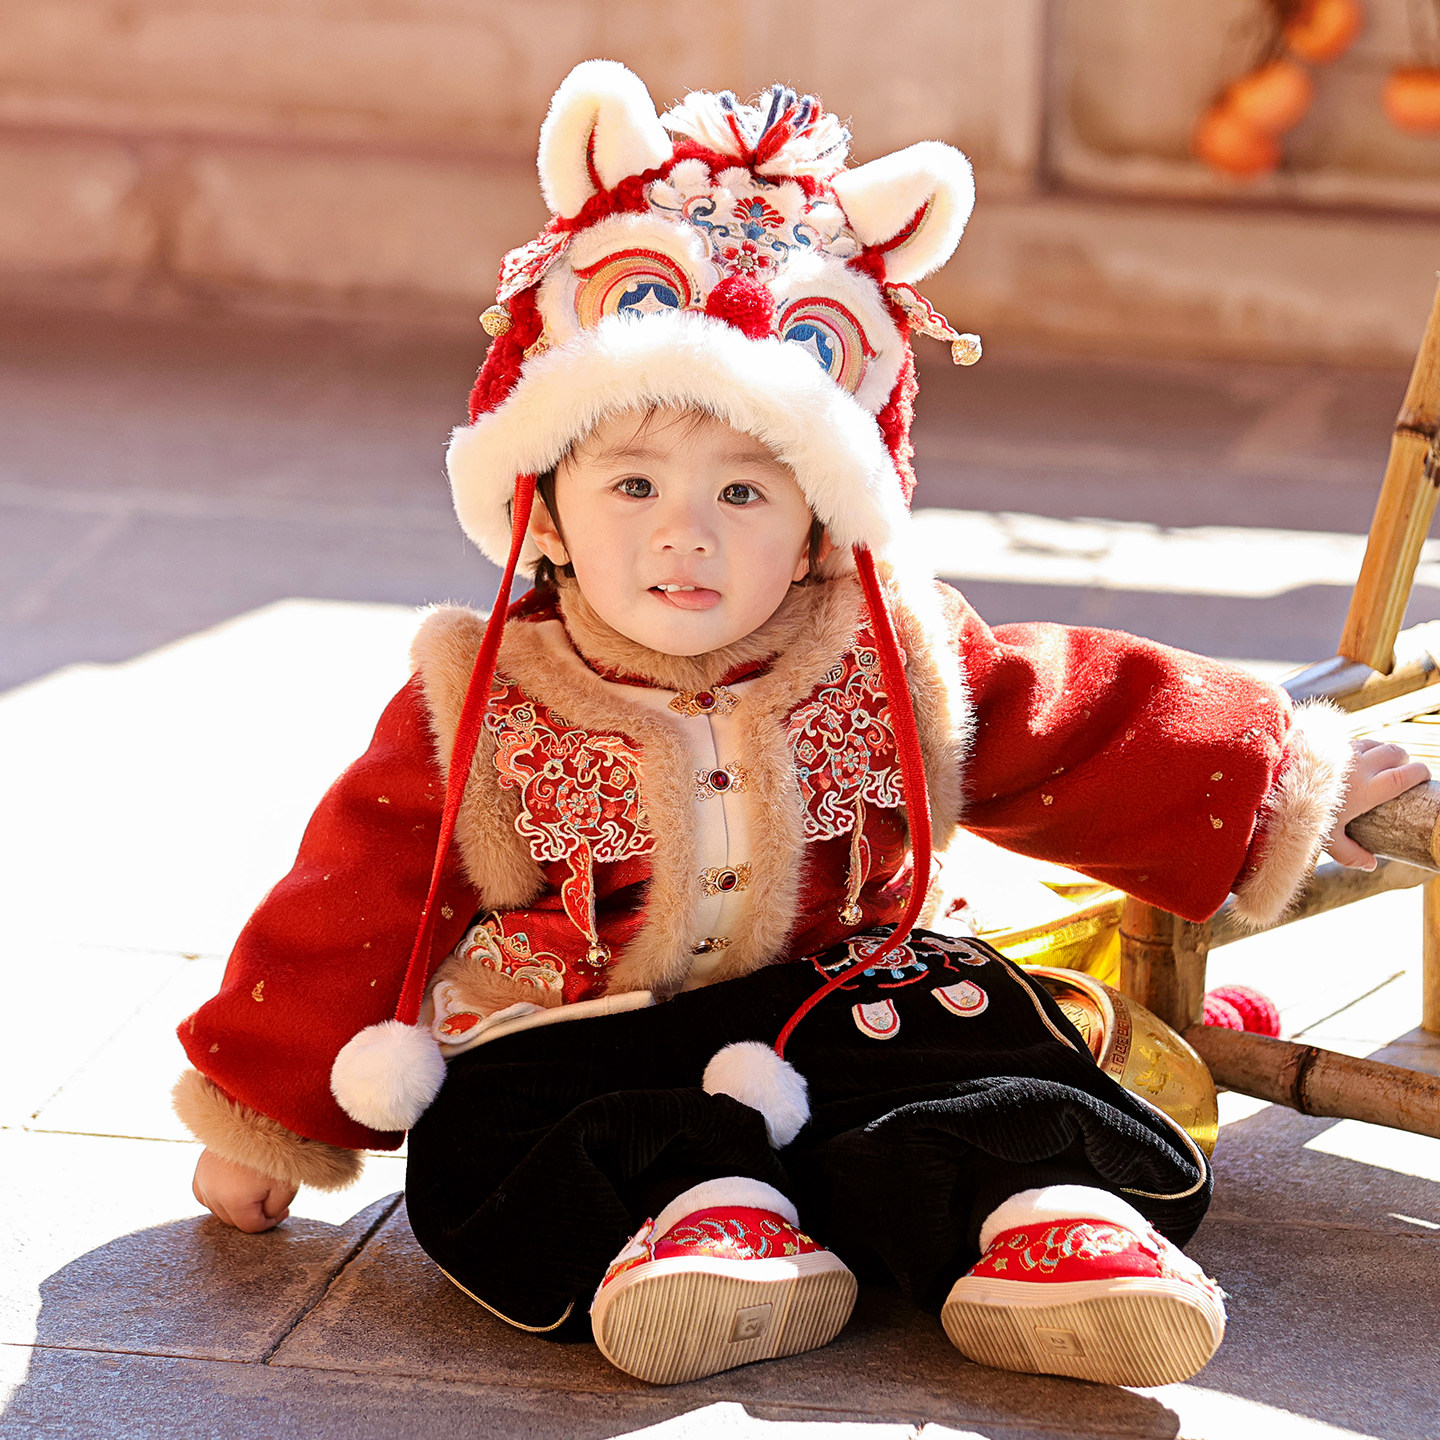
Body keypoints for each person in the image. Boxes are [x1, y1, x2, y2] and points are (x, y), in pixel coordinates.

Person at [174, 62, 1427, 1390]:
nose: (684, 534)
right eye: (634, 485)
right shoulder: (484, 694)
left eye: (744, 494)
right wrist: (264, 1113)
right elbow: (357, 896)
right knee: (508, 1128)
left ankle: (1044, 1224)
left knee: (981, 1056)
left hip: (842, 1005)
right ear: (544, 505)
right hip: (592, 1025)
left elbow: (1076, 717)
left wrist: (1287, 774)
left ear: (825, 523)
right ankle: (703, 1230)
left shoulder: (886, 656)